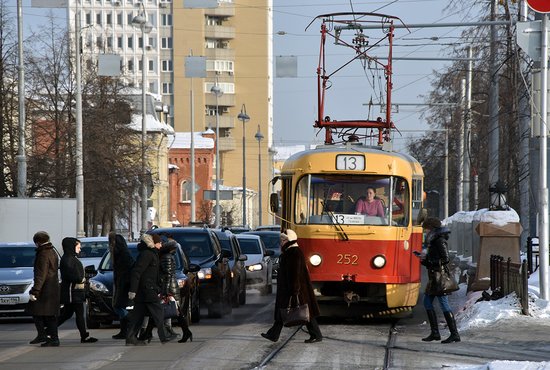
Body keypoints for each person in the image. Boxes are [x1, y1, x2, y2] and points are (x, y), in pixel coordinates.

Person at [261, 229, 322, 343]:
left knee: (304, 312)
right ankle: (273, 334)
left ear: (288, 240)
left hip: (294, 288)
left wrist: (294, 289)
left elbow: (295, 272)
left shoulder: (294, 252)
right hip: (290, 287)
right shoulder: (290, 251)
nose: (281, 242)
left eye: (283, 240)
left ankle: (316, 335)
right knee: (294, 311)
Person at [125, 234, 177, 345]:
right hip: (146, 290)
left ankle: (131, 337)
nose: (161, 244)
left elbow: (153, 274)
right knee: (158, 312)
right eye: (159, 242)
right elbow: (137, 272)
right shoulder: (147, 254)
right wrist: (133, 290)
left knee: (138, 316)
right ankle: (164, 335)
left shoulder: (152, 254)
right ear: (154, 243)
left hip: (147, 289)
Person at [141, 234, 193, 343]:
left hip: (169, 289)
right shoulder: (164, 256)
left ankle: (186, 332)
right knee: (164, 312)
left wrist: (165, 292)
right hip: (167, 288)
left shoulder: (166, 257)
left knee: (176, 313)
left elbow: (168, 275)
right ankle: (148, 333)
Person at [419, 217, 460, 344]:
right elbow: (434, 259)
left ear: (431, 228)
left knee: (444, 304)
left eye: (426, 229)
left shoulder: (439, 240)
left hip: (440, 278)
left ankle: (454, 334)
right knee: (427, 302)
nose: (425, 232)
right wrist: (424, 260)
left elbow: (445, 258)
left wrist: (430, 261)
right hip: (434, 277)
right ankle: (435, 332)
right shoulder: (432, 240)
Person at [58, 237, 98, 343]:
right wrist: (82, 278)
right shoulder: (68, 259)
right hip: (73, 292)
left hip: (75, 291)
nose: (80, 249)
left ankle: (49, 330)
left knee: (68, 313)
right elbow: (73, 276)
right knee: (78, 314)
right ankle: (84, 336)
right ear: (72, 247)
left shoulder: (71, 258)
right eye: (78, 247)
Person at [27, 231, 60, 347]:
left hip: (45, 289)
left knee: (35, 311)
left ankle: (46, 336)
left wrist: (35, 291)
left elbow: (41, 274)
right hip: (52, 288)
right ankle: (51, 337)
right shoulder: (52, 251)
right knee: (49, 315)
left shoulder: (43, 254)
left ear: (37, 242)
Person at [109, 232, 134, 340]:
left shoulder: (123, 254)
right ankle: (124, 330)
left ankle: (130, 322)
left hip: (124, 284)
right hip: (120, 283)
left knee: (118, 306)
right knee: (119, 306)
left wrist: (125, 282)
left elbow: (128, 270)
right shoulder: (119, 253)